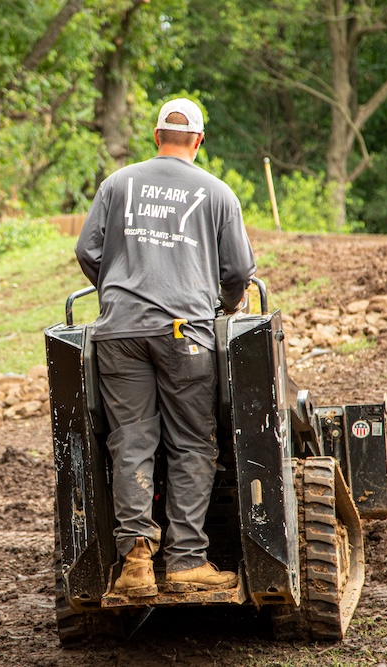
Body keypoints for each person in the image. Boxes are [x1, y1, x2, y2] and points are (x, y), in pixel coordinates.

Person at [74, 97, 256, 597]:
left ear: (156, 137)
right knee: (192, 443)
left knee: (130, 439)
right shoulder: (218, 194)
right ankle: (185, 562)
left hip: (119, 333)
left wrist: (116, 289)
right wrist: (223, 304)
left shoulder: (117, 184)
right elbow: (239, 272)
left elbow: (87, 251)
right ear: (198, 141)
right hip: (185, 335)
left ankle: (135, 564)